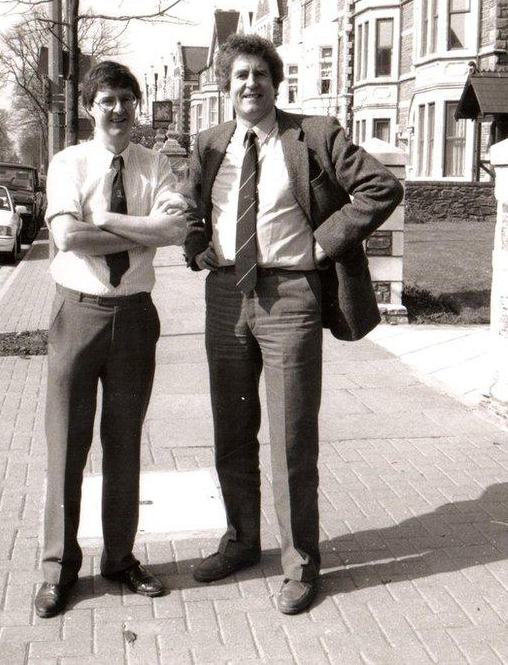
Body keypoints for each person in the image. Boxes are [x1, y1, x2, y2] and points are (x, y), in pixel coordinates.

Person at [182, 34, 403, 615]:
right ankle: (240, 541)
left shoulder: (315, 133)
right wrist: (196, 244)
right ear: (226, 88)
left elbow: (382, 186)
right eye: (239, 76)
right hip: (226, 294)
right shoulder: (208, 145)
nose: (249, 83)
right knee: (231, 428)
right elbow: (188, 209)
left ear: (276, 84)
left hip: (292, 297)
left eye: (260, 74)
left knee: (291, 437)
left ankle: (301, 562)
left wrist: (322, 243)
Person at [36, 60, 188, 618]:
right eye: (107, 100)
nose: (118, 109)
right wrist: (135, 227)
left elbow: (175, 230)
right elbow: (67, 236)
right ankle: (58, 567)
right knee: (68, 447)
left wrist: (108, 218)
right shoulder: (67, 162)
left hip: (135, 319)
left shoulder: (156, 165)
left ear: (137, 105)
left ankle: (120, 559)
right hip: (78, 316)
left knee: (124, 445)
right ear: (89, 108)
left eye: (127, 98)